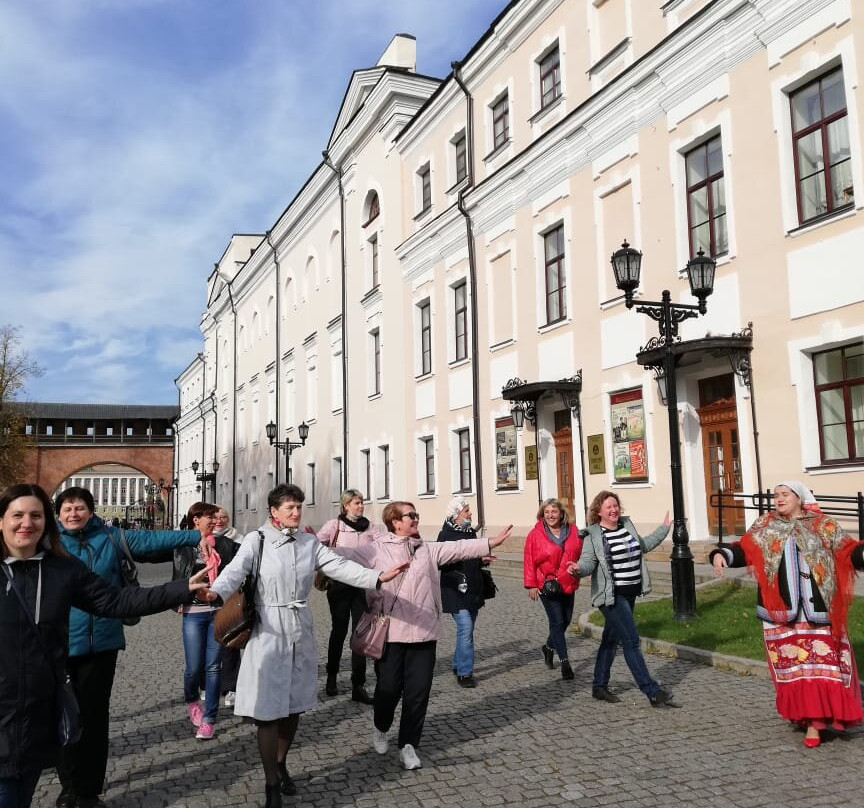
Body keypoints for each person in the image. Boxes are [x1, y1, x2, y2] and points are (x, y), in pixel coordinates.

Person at [0, 484, 210, 808]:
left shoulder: (63, 569)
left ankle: (86, 790)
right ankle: (69, 784)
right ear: (1, 520)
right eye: (17, 515)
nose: (26, 523)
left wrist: (183, 586)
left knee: (87, 721)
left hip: (61, 682)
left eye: (35, 515)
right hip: (12, 705)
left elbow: (117, 599)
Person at [206, 484, 408, 808]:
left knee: (293, 706)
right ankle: (271, 781)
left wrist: (377, 577)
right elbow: (234, 573)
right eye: (290, 508)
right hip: (268, 632)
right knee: (268, 711)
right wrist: (214, 592)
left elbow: (339, 566)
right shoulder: (256, 541)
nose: (297, 513)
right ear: (273, 511)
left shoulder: (308, 543)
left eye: (299, 507)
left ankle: (282, 761)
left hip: (300, 630)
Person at [53, 487, 201, 808]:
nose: (74, 514)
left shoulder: (111, 537)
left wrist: (194, 535)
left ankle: (89, 790)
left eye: (80, 508)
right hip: (61, 645)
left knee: (94, 719)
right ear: (58, 513)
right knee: (65, 717)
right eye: (67, 509)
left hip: (102, 643)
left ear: (91, 512)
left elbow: (151, 541)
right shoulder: (50, 546)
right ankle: (68, 786)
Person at [338, 501, 512, 771]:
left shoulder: (426, 549)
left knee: (418, 693)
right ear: (395, 521)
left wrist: (490, 542)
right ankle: (381, 726)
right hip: (390, 632)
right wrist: (312, 545)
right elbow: (343, 556)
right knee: (388, 690)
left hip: (424, 633)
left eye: (416, 515)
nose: (416, 519)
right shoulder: (374, 549)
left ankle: (408, 745)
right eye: (411, 515)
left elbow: (458, 549)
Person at [710, 481, 864, 747]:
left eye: (784, 494)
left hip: (818, 609)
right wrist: (722, 554)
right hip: (780, 612)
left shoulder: (823, 525)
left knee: (823, 666)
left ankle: (818, 722)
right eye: (775, 495)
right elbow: (746, 549)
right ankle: (809, 721)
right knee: (795, 668)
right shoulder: (765, 526)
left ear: (799, 498)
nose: (778, 499)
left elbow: (847, 551)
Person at [567, 491, 676, 707]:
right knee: (631, 642)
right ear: (598, 511)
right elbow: (588, 562)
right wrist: (578, 569)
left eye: (616, 506)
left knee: (610, 639)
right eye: (608, 507)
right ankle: (652, 691)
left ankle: (599, 685)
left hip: (630, 591)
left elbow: (643, 545)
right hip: (611, 596)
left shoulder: (627, 526)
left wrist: (664, 529)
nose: (614, 510)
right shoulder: (593, 535)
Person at [172, 502, 239, 740]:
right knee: (193, 668)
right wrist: (177, 598)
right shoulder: (183, 546)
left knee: (213, 667)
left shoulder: (225, 545)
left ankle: (209, 719)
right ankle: (192, 699)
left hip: (217, 612)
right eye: (208, 517)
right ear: (195, 521)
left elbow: (247, 561)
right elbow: (177, 577)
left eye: (214, 516)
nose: (213, 520)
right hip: (193, 613)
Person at [316, 489, 380, 703]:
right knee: (339, 630)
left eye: (361, 502)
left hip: (362, 585)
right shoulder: (334, 526)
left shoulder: (370, 527)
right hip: (340, 586)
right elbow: (316, 545)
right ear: (345, 506)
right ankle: (332, 675)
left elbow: (383, 546)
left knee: (359, 634)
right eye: (356, 503)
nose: (360, 506)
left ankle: (358, 685)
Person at [437, 496, 494, 688]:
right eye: (466, 511)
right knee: (466, 628)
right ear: (455, 515)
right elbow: (439, 562)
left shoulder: (470, 532)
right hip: (454, 590)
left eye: (469, 510)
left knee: (466, 631)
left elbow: (473, 556)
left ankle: (457, 663)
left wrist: (481, 559)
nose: (470, 513)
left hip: (473, 589)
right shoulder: (444, 536)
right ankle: (465, 673)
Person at [522, 498, 583, 680]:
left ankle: (548, 647)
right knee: (556, 621)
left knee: (565, 621)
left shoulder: (574, 531)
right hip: (546, 583)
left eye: (554, 512)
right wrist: (531, 584)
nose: (550, 515)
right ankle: (565, 662)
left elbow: (581, 552)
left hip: (567, 581)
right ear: (542, 514)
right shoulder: (535, 534)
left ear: (562, 513)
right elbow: (529, 560)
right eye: (547, 512)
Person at [212, 506, 242, 707]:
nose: (220, 520)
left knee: (230, 641)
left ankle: (232, 686)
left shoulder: (238, 540)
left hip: (230, 596)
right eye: (216, 517)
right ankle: (208, 685)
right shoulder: (202, 540)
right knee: (210, 645)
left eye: (224, 517)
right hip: (206, 596)